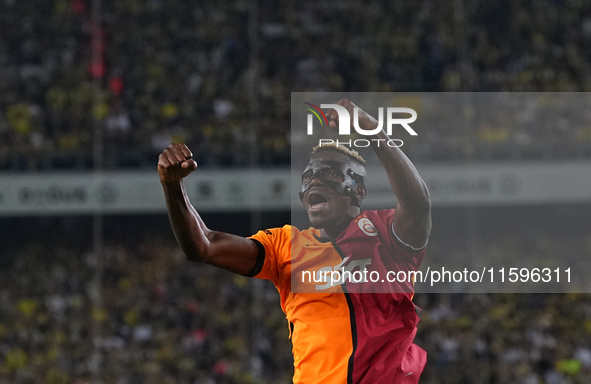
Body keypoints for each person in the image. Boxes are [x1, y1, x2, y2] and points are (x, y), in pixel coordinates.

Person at [158, 99, 432, 383]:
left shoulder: (384, 234)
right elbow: (203, 246)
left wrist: (373, 130)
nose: (314, 182)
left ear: (358, 191)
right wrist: (172, 186)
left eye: (330, 174)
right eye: (309, 176)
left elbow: (418, 203)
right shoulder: (286, 245)